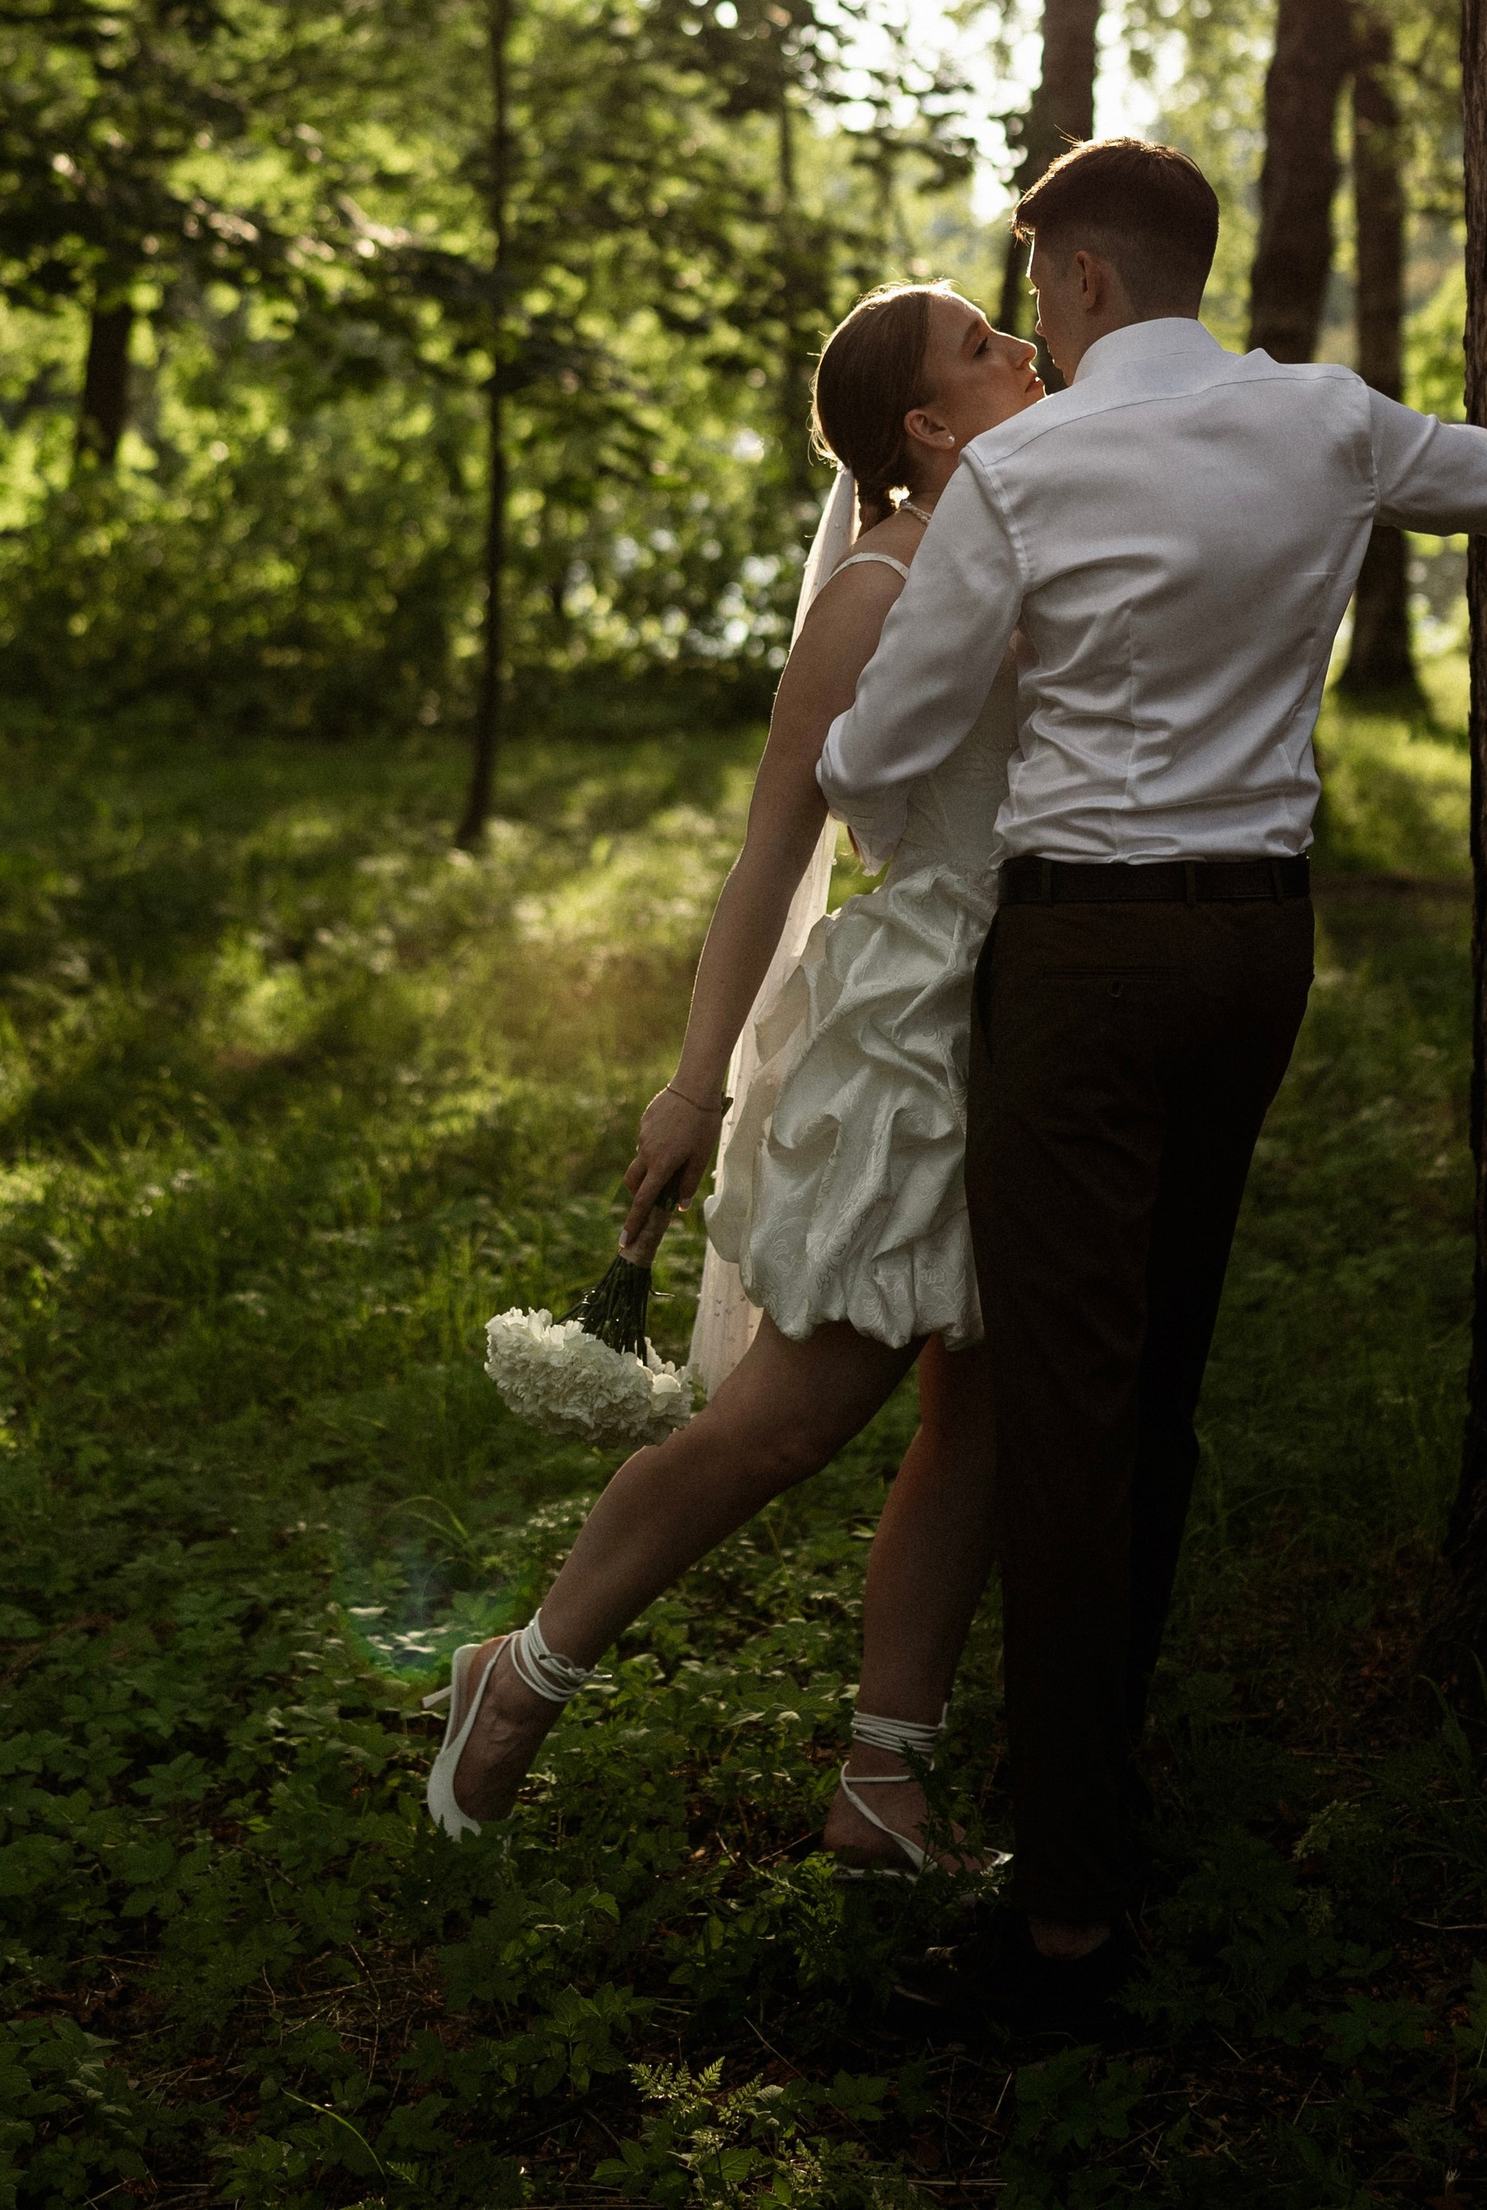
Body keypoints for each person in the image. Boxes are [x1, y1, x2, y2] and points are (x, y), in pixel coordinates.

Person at [815, 138, 1487, 2029]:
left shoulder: (1019, 465)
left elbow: (879, 758)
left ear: (1080, 282)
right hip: (1258, 952)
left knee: (1069, 1413)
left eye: (1036, 293)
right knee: (1150, 1390)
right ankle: (1097, 1806)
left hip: (1081, 969)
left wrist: (871, 691)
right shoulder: (1329, 418)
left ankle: (1073, 1903)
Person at [424, 280, 1044, 1868]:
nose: (1025, 350)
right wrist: (693, 1089)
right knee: (790, 1417)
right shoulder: (878, 591)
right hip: (917, 1025)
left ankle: (882, 1785)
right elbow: (776, 852)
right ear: (921, 425)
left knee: (986, 1407)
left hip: (1049, 1007)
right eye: (985, 345)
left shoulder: (1055, 526)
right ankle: (523, 1669)